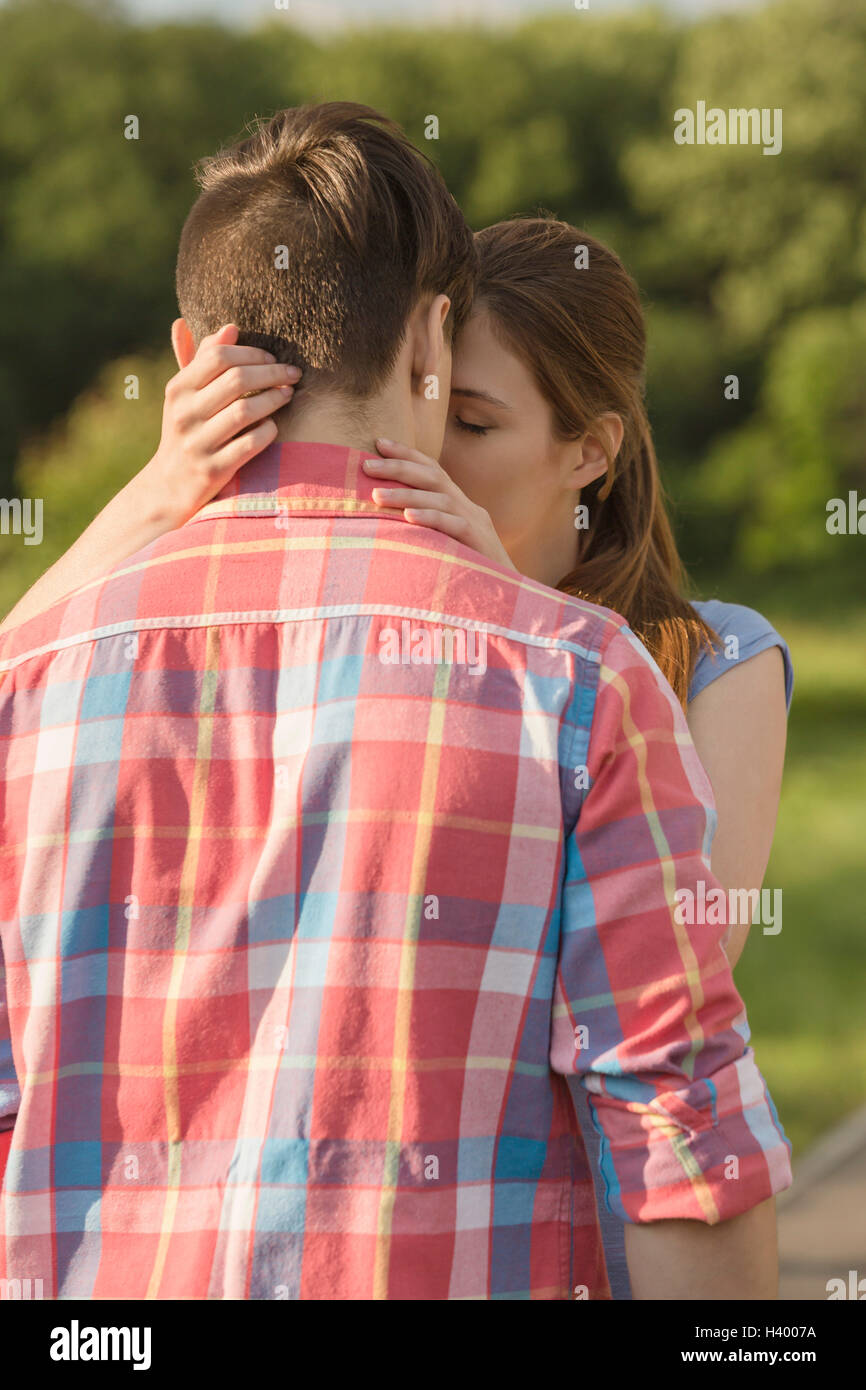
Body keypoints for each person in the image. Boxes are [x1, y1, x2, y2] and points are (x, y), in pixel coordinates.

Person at [0, 102, 791, 1300]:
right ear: (428, 337)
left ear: (190, 354)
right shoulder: (577, 681)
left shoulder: (35, 683)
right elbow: (678, 1131)